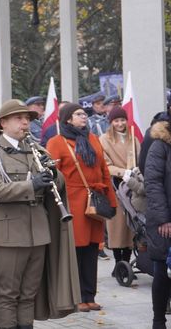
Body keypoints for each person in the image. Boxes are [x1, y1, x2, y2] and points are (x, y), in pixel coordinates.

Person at [0, 99, 79, 328]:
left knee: (29, 293)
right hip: (9, 234)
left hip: (38, 231)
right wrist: (31, 186)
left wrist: (54, 174)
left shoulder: (37, 150)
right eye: (19, 118)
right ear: (3, 123)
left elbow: (58, 184)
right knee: (8, 294)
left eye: (27, 118)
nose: (25, 123)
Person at [47, 103, 117, 312]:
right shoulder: (56, 142)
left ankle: (90, 295)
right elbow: (51, 177)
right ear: (68, 119)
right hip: (73, 203)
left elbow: (104, 170)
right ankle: (76, 297)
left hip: (93, 203)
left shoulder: (93, 138)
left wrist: (111, 201)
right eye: (78, 114)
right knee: (75, 250)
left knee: (91, 250)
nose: (84, 117)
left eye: (84, 114)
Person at [99, 106, 138, 276]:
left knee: (131, 225)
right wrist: (123, 172)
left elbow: (139, 156)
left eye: (122, 120)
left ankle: (127, 263)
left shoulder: (133, 137)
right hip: (115, 186)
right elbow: (105, 164)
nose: (120, 123)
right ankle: (118, 263)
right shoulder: (104, 139)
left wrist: (135, 172)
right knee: (117, 227)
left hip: (133, 187)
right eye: (116, 120)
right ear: (111, 122)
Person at [143, 117, 171, 329]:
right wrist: (163, 219)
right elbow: (152, 182)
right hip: (165, 219)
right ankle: (158, 320)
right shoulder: (159, 145)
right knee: (162, 271)